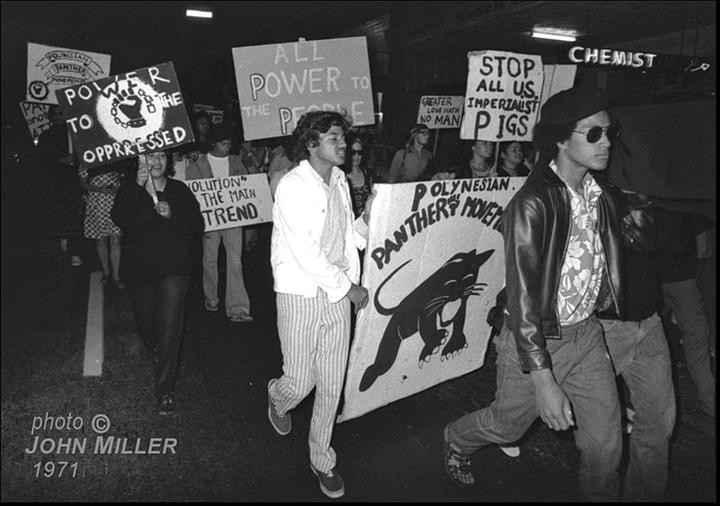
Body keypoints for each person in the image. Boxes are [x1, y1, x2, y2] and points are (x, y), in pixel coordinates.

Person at [442, 87, 627, 500]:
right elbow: (524, 299)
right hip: (536, 340)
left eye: (609, 132)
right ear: (561, 140)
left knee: (606, 446)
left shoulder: (599, 195)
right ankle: (456, 438)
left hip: (587, 335)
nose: (607, 142)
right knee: (508, 425)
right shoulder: (532, 203)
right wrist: (543, 379)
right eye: (593, 134)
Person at [268, 111, 370, 499]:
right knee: (300, 381)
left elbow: (346, 238)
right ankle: (278, 397)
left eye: (343, 138)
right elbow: (308, 254)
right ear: (312, 143)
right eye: (333, 138)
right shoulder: (292, 186)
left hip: (336, 293)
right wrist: (350, 290)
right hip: (302, 293)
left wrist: (368, 218)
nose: (343, 144)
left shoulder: (340, 180)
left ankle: (322, 460)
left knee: (331, 384)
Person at [110, 150, 204, 415]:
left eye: (161, 155)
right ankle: (155, 347)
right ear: (140, 162)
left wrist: (174, 214)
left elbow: (197, 225)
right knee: (146, 325)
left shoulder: (179, 190)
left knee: (171, 328)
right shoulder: (130, 189)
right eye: (150, 157)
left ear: (169, 161)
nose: (157, 161)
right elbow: (119, 218)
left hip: (174, 268)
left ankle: (165, 391)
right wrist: (137, 186)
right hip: (140, 272)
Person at [597, 189, 676, 500]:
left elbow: (668, 244)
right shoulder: (599, 187)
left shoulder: (662, 191)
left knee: (658, 425)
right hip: (605, 327)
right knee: (599, 437)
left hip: (649, 324)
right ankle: (479, 430)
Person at [186, 123, 254, 323]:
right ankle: (211, 298)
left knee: (235, 262)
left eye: (229, 143)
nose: (227, 146)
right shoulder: (198, 164)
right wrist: (200, 224)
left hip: (233, 219)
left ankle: (238, 307)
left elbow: (247, 189)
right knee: (210, 261)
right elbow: (193, 196)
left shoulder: (236, 161)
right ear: (213, 143)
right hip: (209, 221)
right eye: (223, 143)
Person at [656, 207, 715, 417]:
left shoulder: (643, 195)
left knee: (647, 334)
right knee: (697, 336)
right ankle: (710, 403)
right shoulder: (687, 196)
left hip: (650, 276)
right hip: (681, 279)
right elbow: (704, 247)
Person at [37, 105, 84, 267]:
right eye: (54, 114)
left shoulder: (75, 134)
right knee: (55, 217)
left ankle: (75, 252)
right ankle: (58, 251)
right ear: (50, 117)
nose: (57, 117)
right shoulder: (46, 136)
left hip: (72, 184)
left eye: (61, 113)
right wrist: (59, 161)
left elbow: (87, 157)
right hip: (54, 185)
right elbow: (40, 161)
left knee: (74, 217)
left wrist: (75, 160)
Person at [78, 161, 126, 288]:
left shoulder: (114, 156)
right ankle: (106, 272)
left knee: (116, 240)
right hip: (97, 204)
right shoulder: (88, 158)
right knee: (101, 240)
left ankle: (116, 275)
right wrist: (100, 189)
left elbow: (124, 179)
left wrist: (117, 188)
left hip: (114, 204)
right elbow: (82, 182)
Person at [342, 135, 373, 218]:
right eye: (353, 152)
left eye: (359, 153)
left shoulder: (368, 174)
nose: (356, 156)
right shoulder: (340, 176)